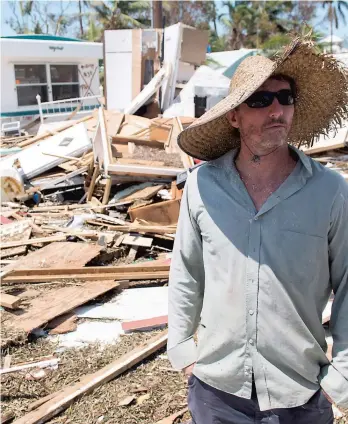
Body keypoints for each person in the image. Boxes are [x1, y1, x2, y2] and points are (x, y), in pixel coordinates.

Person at [167, 38, 348, 424]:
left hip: (300, 392)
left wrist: (341, 375)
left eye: (285, 97)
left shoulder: (331, 192)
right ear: (234, 116)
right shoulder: (201, 187)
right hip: (217, 392)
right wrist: (183, 349)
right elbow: (186, 271)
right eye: (261, 101)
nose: (277, 110)